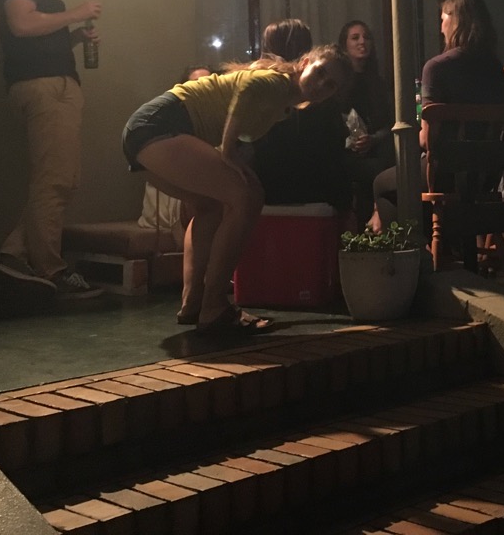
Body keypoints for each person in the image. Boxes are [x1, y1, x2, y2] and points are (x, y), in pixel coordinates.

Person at [121, 45, 353, 333]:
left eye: (330, 85)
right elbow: (247, 91)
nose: (321, 84)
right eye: (320, 72)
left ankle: (194, 303)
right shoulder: (276, 83)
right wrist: (228, 151)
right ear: (305, 62)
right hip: (158, 126)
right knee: (247, 197)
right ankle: (215, 304)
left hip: (144, 131)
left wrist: (235, 152)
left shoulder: (282, 105)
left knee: (210, 206)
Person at [0, 0, 103, 299]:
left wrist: (73, 38)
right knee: (56, 180)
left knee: (60, 179)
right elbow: (21, 24)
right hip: (43, 87)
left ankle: (13, 255)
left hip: (51, 83)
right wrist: (77, 13)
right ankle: (52, 271)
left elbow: (36, 32)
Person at [372, 0, 504, 231]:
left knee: (382, 184)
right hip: (485, 173)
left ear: (455, 20)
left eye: (442, 19)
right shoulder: (496, 69)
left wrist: (415, 131)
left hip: (446, 172)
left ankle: (407, 246)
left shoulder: (437, 67)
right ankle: (443, 242)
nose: (440, 27)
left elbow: (427, 139)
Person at [250, 20, 351, 213]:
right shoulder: (323, 102)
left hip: (264, 193)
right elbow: (334, 160)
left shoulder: (261, 89)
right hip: (315, 196)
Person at [139, 65, 212, 235]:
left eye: (208, 84)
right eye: (196, 84)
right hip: (171, 201)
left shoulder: (215, 124)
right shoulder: (170, 121)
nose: (202, 89)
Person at [336, 19, 395, 225]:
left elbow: (390, 123)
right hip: (345, 151)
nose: (362, 42)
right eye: (355, 38)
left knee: (385, 162)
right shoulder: (338, 82)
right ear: (345, 45)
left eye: (367, 37)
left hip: (376, 149)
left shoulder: (378, 83)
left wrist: (373, 139)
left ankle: (378, 222)